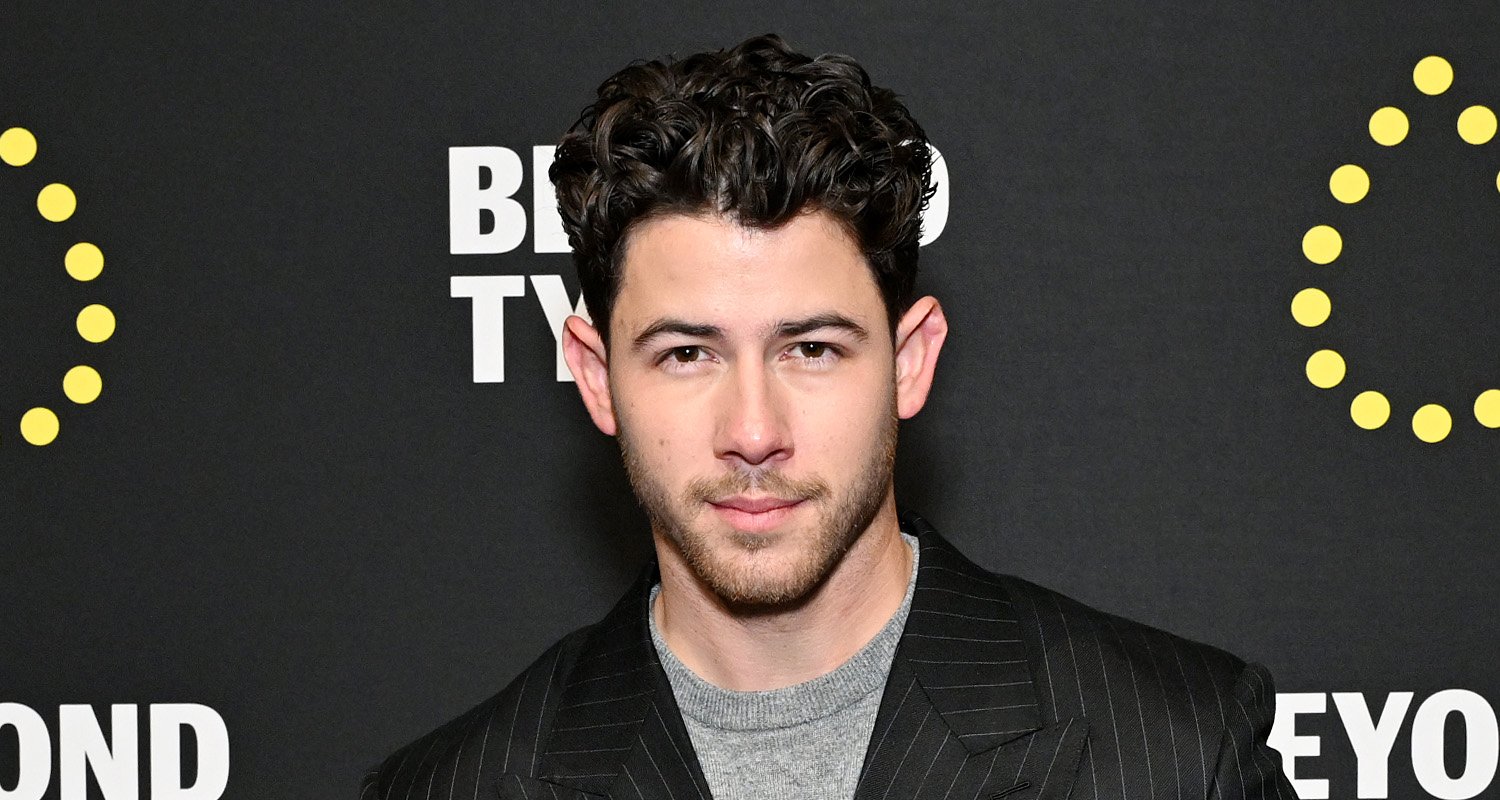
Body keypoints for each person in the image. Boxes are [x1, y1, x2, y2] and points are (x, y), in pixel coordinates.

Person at [363, 34, 1295, 800]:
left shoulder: (1179, 754)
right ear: (597, 377)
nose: (753, 431)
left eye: (810, 349)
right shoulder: (456, 787)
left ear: (909, 361)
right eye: (687, 354)